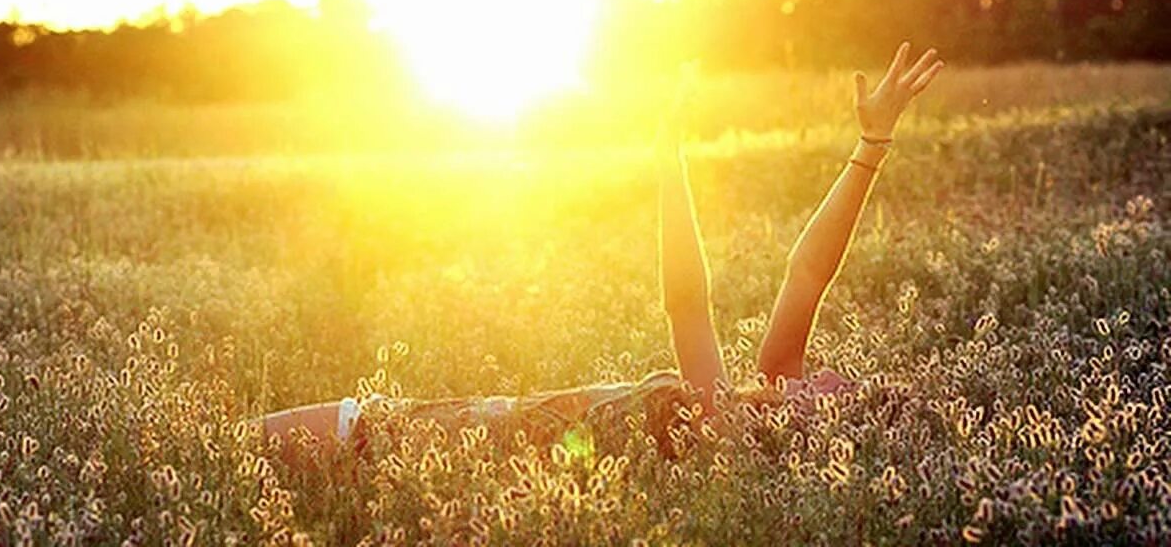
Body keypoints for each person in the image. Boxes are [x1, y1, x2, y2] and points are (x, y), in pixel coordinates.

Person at [262, 42, 944, 463]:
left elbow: (687, 307)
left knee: (218, 457)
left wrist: (667, 158)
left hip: (418, 450)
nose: (825, 376)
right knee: (214, 452)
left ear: (817, 434)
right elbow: (808, 273)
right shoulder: (760, 396)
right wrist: (872, 146)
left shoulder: (726, 434)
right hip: (448, 425)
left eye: (836, 392)